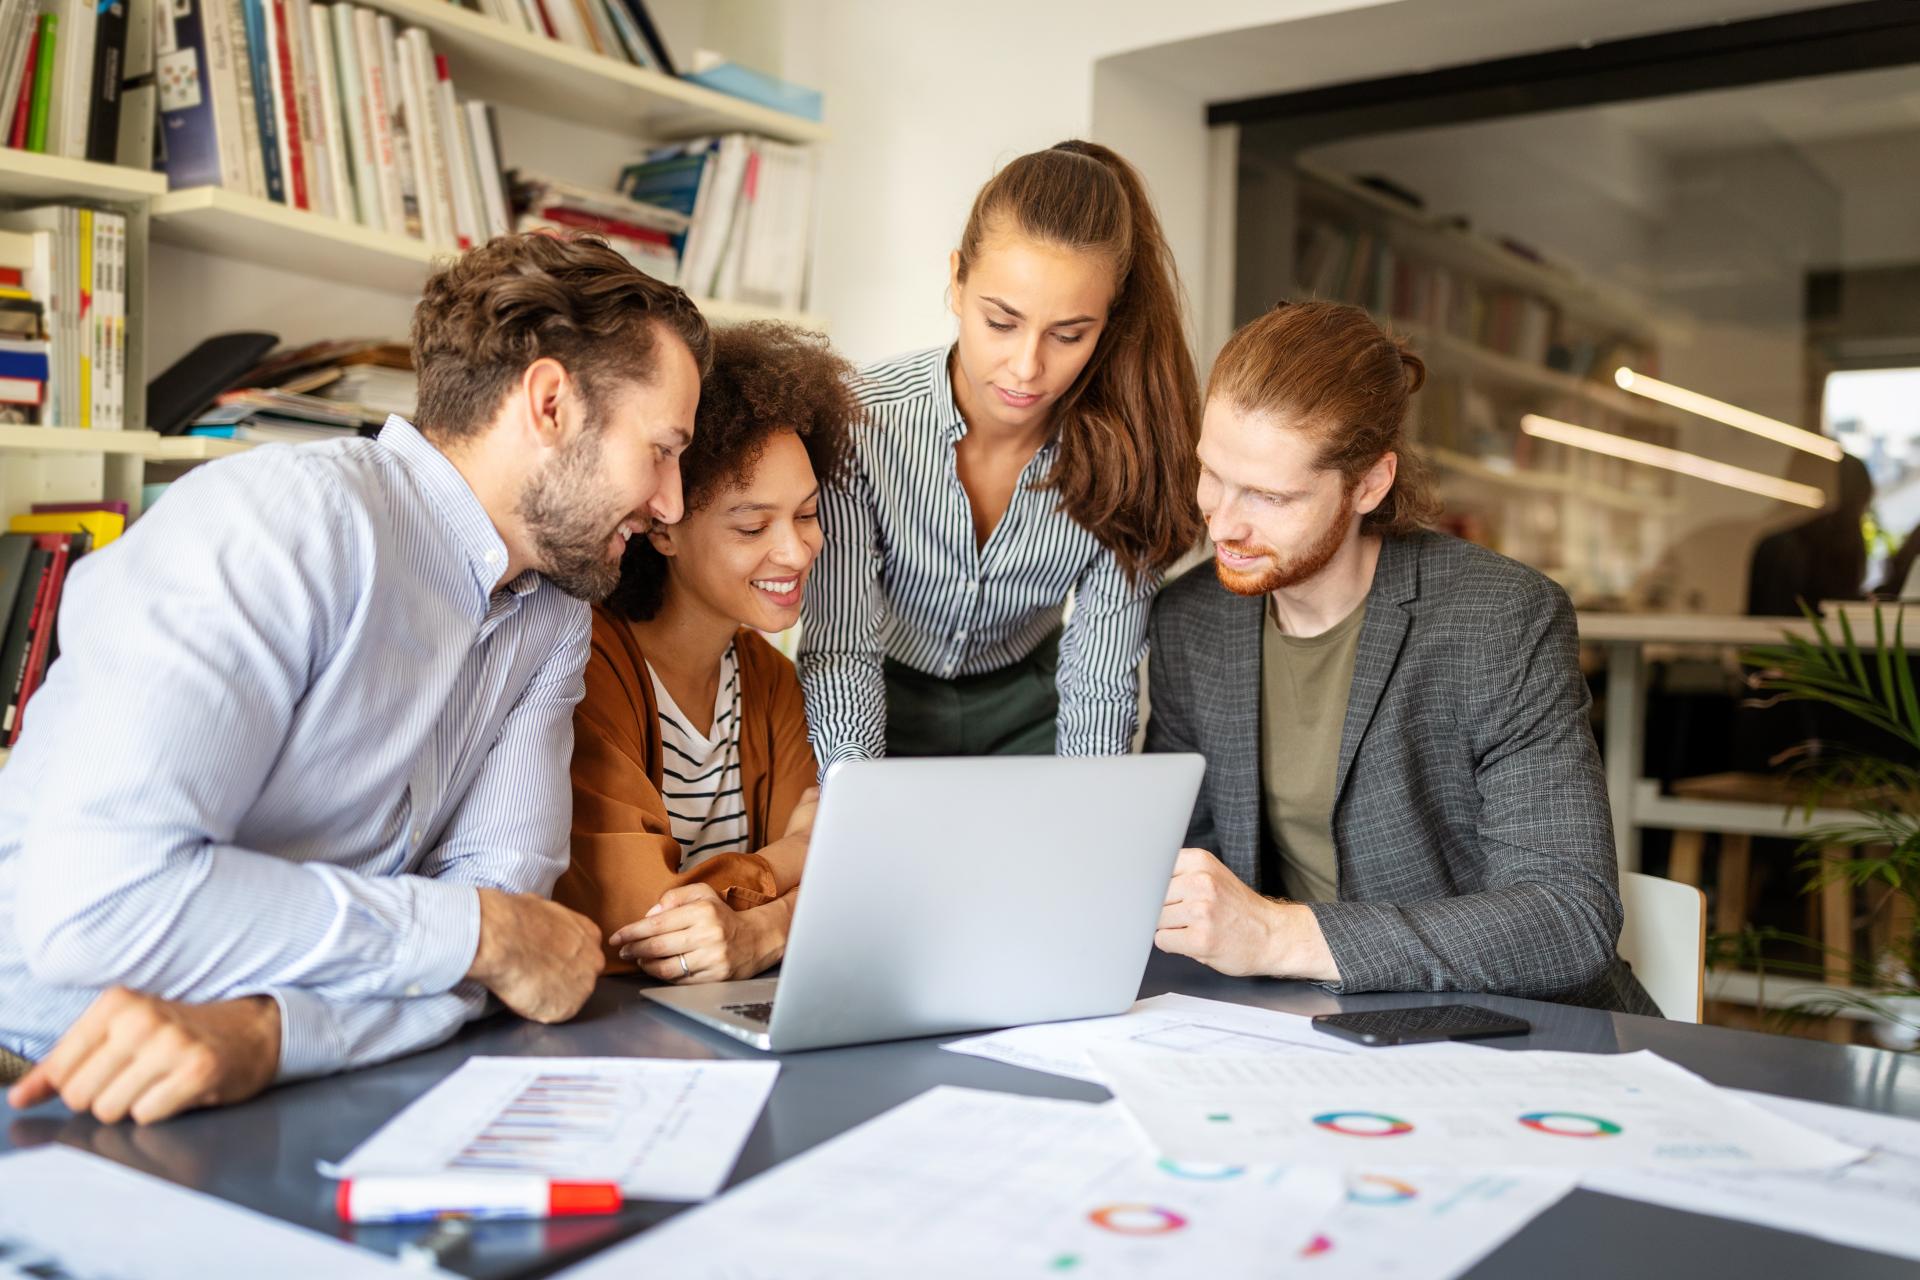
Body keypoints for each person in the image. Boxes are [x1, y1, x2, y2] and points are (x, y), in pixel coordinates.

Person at [0, 233, 708, 1123]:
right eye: (662, 450)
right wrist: (475, 934)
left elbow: (519, 953)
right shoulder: (279, 524)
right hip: (41, 1076)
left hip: (285, 1079)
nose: (672, 504)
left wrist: (271, 1034)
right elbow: (101, 906)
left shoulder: (553, 615)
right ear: (552, 403)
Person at [1145, 301, 1657, 1014]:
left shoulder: (1500, 619)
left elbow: (1568, 918)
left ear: (1369, 485)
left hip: (1515, 1033)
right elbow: (1188, 880)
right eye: (1213, 474)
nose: (1223, 522)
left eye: (1269, 495)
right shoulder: (1189, 620)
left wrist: (1278, 936)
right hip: (1297, 1031)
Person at [799, 140, 1201, 767]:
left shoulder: (1132, 455)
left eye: (1070, 334)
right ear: (957, 281)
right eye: (1001, 321)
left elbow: (1099, 679)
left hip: (1030, 706)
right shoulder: (857, 422)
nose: (1027, 367)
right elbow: (843, 646)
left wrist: (1085, 814)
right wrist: (855, 791)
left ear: (1108, 321)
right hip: (879, 688)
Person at [557, 323, 860, 983]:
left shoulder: (771, 680)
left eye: (806, 515)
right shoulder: (586, 664)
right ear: (663, 527)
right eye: (753, 525)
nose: (797, 550)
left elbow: (848, 884)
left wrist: (763, 931)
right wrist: (797, 852)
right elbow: (642, 916)